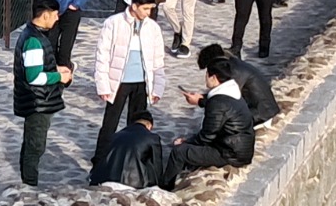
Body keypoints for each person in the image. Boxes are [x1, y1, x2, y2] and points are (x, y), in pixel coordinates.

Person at [91, 0, 166, 167]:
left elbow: (158, 60)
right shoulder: (113, 23)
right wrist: (103, 85)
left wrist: (157, 87)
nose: (148, 13)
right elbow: (102, 55)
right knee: (110, 122)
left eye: (150, 9)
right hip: (119, 82)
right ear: (134, 6)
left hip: (142, 82)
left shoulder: (153, 27)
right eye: (146, 9)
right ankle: (100, 159)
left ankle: (133, 159)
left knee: (137, 124)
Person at [164, 58, 254, 188]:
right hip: (239, 149)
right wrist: (200, 101)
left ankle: (165, 187)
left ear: (214, 77)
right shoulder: (233, 93)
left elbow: (207, 136)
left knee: (179, 152)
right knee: (191, 145)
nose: (205, 78)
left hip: (229, 154)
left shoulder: (217, 103)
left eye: (207, 75)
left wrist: (186, 141)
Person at [14, 0, 71, 187]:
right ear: (46, 15)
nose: (57, 19)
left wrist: (55, 69)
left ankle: (28, 181)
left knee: (31, 143)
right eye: (55, 15)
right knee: (35, 146)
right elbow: (34, 77)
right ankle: (30, 185)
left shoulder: (33, 36)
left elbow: (36, 67)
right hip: (37, 101)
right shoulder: (34, 41)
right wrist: (59, 77)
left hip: (37, 100)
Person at [199, 43, 281, 128]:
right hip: (262, 109)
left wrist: (201, 101)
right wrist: (202, 97)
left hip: (261, 114)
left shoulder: (235, 72)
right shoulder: (234, 65)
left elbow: (225, 101)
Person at [88, 111, 164, 189]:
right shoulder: (152, 138)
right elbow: (157, 166)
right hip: (135, 184)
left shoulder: (115, 136)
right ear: (149, 125)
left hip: (106, 181)